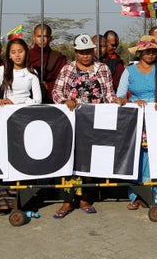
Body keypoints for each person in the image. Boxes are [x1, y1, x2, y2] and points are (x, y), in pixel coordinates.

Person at [51, 34, 117, 218]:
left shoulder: (102, 68)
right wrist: (65, 101)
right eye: (81, 52)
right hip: (72, 122)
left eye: (88, 52)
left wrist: (116, 100)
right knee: (69, 161)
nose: (85, 56)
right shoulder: (67, 69)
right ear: (76, 52)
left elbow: (109, 93)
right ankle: (67, 201)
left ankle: (84, 198)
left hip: (95, 122)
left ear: (93, 51)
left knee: (88, 161)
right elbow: (56, 92)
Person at [116, 35, 157, 212]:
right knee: (139, 156)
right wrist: (132, 103)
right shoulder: (129, 71)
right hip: (137, 120)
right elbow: (120, 96)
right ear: (140, 52)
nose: (150, 54)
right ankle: (137, 195)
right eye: (147, 51)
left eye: (153, 51)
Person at [0, 38, 42, 214]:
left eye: (20, 51)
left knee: (24, 158)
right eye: (13, 52)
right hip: (4, 119)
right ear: (9, 55)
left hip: (24, 120)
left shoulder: (32, 73)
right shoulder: (3, 70)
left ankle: (22, 196)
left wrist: (22, 103)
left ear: (26, 52)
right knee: (5, 157)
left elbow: (38, 100)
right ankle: (2, 197)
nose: (17, 55)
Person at [28, 23, 66, 103]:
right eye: (39, 36)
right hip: (28, 96)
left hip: (50, 97)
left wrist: (47, 85)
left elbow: (62, 80)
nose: (42, 40)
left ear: (50, 38)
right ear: (34, 38)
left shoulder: (57, 57)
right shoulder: (26, 56)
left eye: (45, 36)